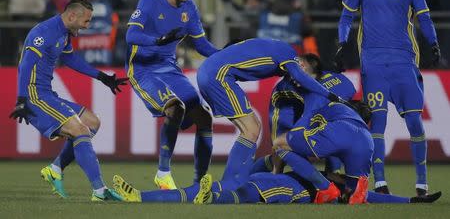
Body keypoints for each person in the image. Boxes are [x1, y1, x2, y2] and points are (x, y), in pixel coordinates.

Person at [334, 0, 441, 196]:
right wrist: (342, 42)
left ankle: (422, 184)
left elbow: (424, 19)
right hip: (372, 63)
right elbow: (346, 18)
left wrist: (433, 42)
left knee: (414, 122)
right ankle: (380, 183)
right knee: (377, 123)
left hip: (404, 61)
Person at [9, 0, 128, 201]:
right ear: (72, 15)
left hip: (46, 93)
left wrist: (102, 77)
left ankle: (55, 168)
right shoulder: (45, 32)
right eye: (86, 21)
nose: (87, 26)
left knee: (92, 123)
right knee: (80, 129)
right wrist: (21, 99)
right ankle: (99, 191)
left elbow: (71, 59)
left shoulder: (64, 33)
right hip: (34, 95)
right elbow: (27, 64)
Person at [196, 38, 343, 191]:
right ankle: (229, 185)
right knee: (251, 129)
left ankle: (235, 182)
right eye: (307, 78)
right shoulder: (289, 55)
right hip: (219, 76)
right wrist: (330, 95)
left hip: (209, 70)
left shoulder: (275, 47)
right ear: (302, 65)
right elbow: (300, 77)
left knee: (252, 128)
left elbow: (230, 51)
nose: (299, 84)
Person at [125, 0, 218, 189]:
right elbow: (131, 36)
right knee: (174, 106)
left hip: (170, 68)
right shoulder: (148, 2)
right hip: (143, 69)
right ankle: (163, 173)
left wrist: (226, 54)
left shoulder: (190, 8)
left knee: (204, 117)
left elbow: (202, 45)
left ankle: (199, 184)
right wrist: (157, 40)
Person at [251, 53, 356, 175]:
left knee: (330, 134)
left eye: (300, 76)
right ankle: (259, 178)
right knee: (281, 152)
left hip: (306, 105)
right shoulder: (339, 84)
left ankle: (331, 176)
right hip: (283, 107)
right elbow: (299, 131)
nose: (294, 78)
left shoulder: (317, 96)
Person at [110, 166, 442, 205]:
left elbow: (373, 198)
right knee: (200, 189)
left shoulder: (341, 190)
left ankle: (212, 197)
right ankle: (139, 196)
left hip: (287, 191)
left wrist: (411, 202)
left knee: (241, 196)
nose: (337, 173)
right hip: (271, 179)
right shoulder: (326, 176)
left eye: (341, 174)